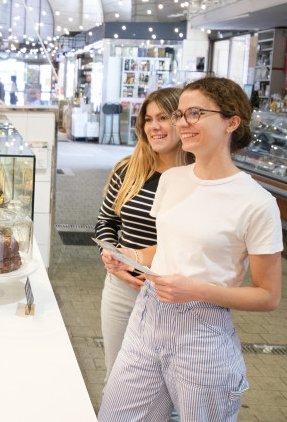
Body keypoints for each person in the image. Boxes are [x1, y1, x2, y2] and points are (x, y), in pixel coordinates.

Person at [98, 77, 283, 421]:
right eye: (181, 114)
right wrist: (131, 258)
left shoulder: (257, 203)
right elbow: (168, 247)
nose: (182, 123)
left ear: (232, 122)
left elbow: (268, 296)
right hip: (146, 317)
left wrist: (195, 290)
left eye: (195, 113)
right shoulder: (173, 180)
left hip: (202, 332)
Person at [94, 88, 192, 401]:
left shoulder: (197, 177)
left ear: (183, 121)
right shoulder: (128, 169)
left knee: (170, 391)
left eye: (164, 117)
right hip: (122, 291)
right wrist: (112, 258)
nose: (154, 126)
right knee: (118, 381)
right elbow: (105, 224)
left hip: (173, 296)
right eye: (148, 119)